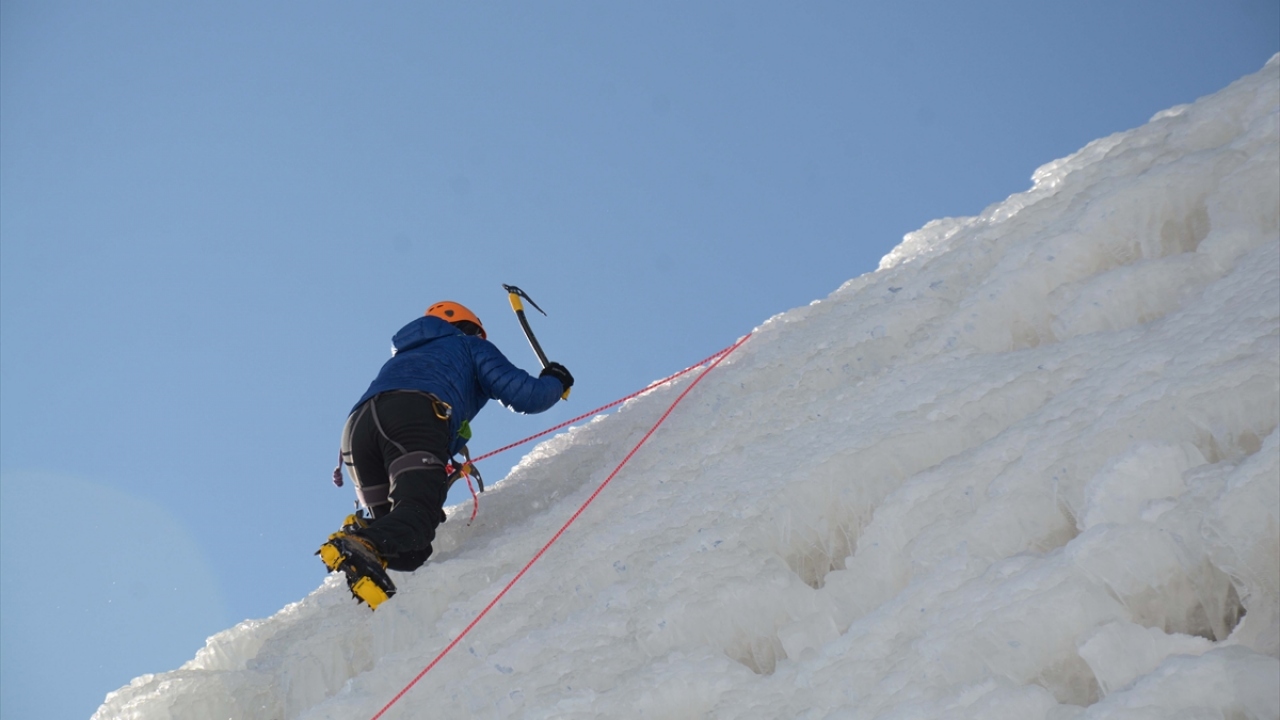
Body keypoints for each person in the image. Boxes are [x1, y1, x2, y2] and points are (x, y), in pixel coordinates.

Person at [318, 301, 573, 609]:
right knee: (417, 516)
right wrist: (556, 380)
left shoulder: (404, 356)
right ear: (472, 330)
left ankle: (363, 538)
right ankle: (360, 540)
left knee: (411, 549)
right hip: (414, 414)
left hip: (357, 432)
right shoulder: (468, 346)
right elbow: (525, 395)